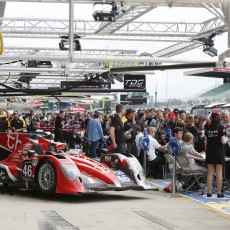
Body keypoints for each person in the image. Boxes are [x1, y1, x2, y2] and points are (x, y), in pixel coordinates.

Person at [205, 110, 227, 198]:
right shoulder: (222, 128)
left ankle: (209, 192)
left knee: (210, 173)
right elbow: (223, 141)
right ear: (219, 118)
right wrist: (226, 138)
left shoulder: (208, 128)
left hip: (210, 152)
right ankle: (218, 193)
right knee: (219, 173)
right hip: (219, 152)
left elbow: (206, 142)